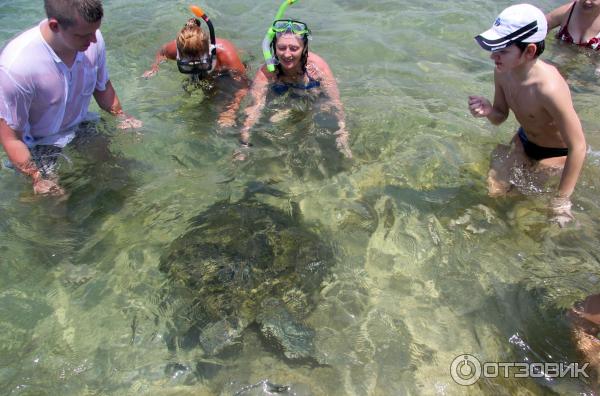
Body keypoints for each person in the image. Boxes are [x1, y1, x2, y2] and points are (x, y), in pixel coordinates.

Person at [0, 0, 142, 196]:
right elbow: (11, 138)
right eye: (84, 35)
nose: (93, 40)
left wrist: (121, 116)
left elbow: (102, 88)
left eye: (95, 31)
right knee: (54, 201)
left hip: (79, 125)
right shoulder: (18, 67)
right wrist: (37, 178)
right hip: (37, 144)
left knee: (116, 170)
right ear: (55, 26)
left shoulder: (93, 39)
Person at [468, 4, 587, 226]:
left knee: (524, 204)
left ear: (529, 51)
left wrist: (562, 200)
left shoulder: (549, 88)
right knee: (495, 192)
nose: (494, 56)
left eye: (503, 51)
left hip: (555, 153)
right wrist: (488, 111)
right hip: (524, 141)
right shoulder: (502, 72)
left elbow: (578, 146)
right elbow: (500, 115)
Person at [238, 19, 352, 159]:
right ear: (274, 47)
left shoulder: (318, 67)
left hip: (312, 95)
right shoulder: (267, 72)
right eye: (281, 48)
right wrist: (244, 142)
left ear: (304, 48)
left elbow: (335, 102)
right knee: (273, 124)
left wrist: (342, 134)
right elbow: (254, 107)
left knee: (323, 111)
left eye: (293, 48)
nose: (286, 54)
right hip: (283, 96)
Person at [141, 7, 247, 127]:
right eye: (188, 61)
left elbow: (244, 86)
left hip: (224, 73)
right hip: (206, 71)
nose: (193, 64)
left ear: (208, 50)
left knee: (217, 99)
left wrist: (230, 111)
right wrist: (154, 67)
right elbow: (162, 53)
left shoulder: (225, 52)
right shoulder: (173, 49)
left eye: (199, 61)